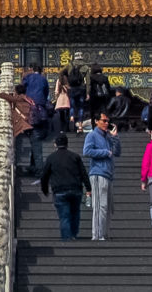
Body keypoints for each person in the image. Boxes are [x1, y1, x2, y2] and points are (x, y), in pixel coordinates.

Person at [40, 133, 90, 240]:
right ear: (67, 144)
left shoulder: (51, 158)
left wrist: (45, 189)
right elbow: (83, 173)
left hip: (60, 190)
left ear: (55, 144)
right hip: (76, 189)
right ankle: (73, 234)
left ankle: (67, 238)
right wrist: (88, 188)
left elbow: (44, 176)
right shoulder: (75, 156)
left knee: (64, 216)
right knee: (75, 213)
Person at [82, 111, 121, 240]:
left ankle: (104, 234)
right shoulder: (92, 135)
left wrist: (115, 137)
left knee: (108, 207)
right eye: (104, 121)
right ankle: (97, 235)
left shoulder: (108, 136)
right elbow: (87, 151)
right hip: (98, 173)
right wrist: (104, 152)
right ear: (96, 121)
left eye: (107, 121)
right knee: (100, 206)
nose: (106, 123)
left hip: (108, 174)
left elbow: (117, 152)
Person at [0, 83, 42, 175]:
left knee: (18, 146)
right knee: (35, 147)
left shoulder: (19, 98)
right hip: (31, 124)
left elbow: (2, 95)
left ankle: (20, 167)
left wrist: (8, 94)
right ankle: (37, 168)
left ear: (17, 92)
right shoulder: (28, 99)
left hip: (23, 125)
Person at [68, 53, 87, 133]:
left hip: (72, 89)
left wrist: (66, 85)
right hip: (81, 89)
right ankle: (80, 125)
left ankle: (72, 118)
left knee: (72, 106)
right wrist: (88, 93)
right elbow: (88, 82)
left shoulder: (70, 65)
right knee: (81, 107)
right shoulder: (85, 67)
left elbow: (62, 73)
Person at [52, 68, 72, 135]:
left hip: (60, 98)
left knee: (61, 115)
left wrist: (56, 98)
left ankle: (62, 128)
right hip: (67, 98)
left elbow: (56, 91)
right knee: (67, 114)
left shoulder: (59, 80)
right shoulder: (68, 80)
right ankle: (67, 128)